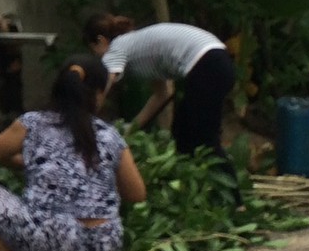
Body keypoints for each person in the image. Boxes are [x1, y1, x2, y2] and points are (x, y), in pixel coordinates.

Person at [0, 55, 147, 251]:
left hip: (49, 247)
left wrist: (35, 164)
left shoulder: (32, 124)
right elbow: (137, 194)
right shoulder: (110, 135)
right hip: (102, 249)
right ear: (98, 94)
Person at [83, 13, 237, 168]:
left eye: (93, 50)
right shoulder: (138, 44)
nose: (96, 57)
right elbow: (162, 94)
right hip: (216, 60)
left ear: (100, 41)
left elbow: (103, 86)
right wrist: (131, 129)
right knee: (182, 133)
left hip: (206, 64)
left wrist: (83, 119)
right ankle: (198, 180)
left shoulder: (116, 48)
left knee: (203, 138)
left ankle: (230, 190)